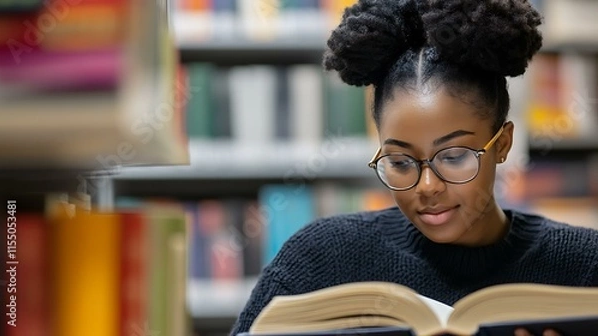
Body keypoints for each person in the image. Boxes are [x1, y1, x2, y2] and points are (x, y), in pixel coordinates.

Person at [230, 1, 598, 335]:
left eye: (453, 157)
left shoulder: (583, 264)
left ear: (501, 145)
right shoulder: (320, 257)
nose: (426, 187)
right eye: (400, 162)